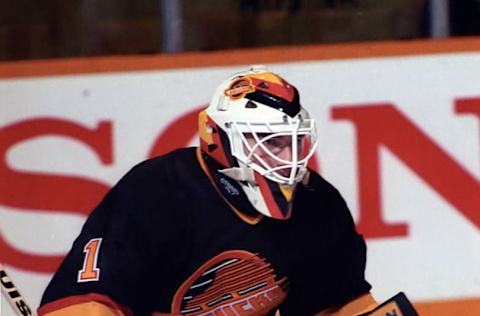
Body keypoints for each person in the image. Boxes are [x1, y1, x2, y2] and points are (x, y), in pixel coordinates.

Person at [38, 65, 378, 316]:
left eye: (291, 143)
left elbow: (340, 303)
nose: (286, 159)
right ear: (220, 139)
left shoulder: (316, 203)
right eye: (268, 143)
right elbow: (82, 304)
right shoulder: (158, 194)